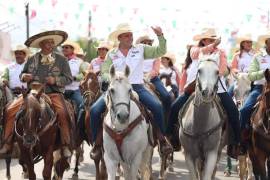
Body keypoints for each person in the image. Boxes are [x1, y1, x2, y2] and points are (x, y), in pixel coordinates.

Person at [89, 23, 173, 160]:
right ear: (120, 38)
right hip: (116, 87)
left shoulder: (141, 49)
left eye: (131, 35)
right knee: (94, 110)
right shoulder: (112, 54)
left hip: (137, 87)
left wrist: (160, 36)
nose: (130, 37)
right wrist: (110, 78)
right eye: (127, 35)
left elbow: (160, 51)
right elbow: (104, 71)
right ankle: (97, 144)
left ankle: (162, 141)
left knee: (157, 106)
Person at [167, 28, 240, 158]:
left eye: (213, 40)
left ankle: (236, 143)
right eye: (210, 40)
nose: (212, 42)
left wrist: (216, 74)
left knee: (233, 111)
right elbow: (195, 55)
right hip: (195, 86)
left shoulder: (220, 52)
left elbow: (223, 68)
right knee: (174, 107)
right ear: (204, 40)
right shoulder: (195, 49)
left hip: (216, 86)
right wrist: (214, 45)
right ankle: (169, 139)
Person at [0, 30, 73, 157]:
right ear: (41, 45)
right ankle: (7, 142)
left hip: (53, 93)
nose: (50, 45)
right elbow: (22, 74)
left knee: (64, 112)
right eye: (47, 42)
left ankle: (66, 144)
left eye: (52, 42)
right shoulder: (32, 59)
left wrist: (55, 80)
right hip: (31, 94)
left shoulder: (62, 60)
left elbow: (69, 79)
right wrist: (24, 76)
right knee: (9, 109)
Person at [239, 31, 270, 153]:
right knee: (244, 110)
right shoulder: (258, 57)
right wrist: (263, 73)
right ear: (266, 42)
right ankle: (243, 140)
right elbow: (251, 76)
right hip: (260, 88)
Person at [136, 35, 172, 120]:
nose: (147, 44)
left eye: (149, 43)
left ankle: (166, 118)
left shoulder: (155, 55)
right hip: (137, 79)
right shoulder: (136, 55)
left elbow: (155, 70)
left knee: (166, 96)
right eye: (144, 42)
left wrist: (147, 75)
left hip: (152, 79)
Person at [62, 40, 88, 115]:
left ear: (72, 49)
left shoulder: (79, 62)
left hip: (74, 90)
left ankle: (80, 126)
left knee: (82, 106)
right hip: (60, 91)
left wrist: (74, 78)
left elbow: (84, 74)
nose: (64, 49)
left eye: (66, 47)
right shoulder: (59, 61)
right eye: (63, 47)